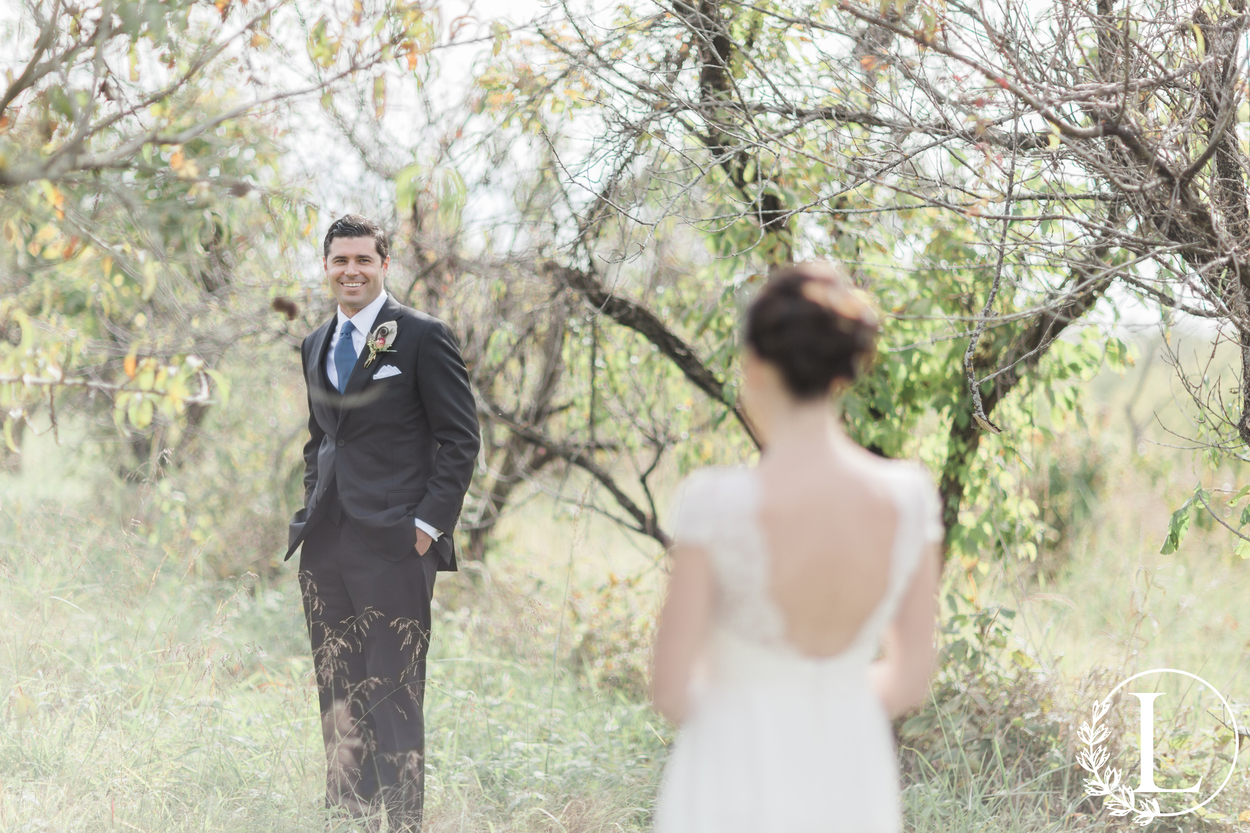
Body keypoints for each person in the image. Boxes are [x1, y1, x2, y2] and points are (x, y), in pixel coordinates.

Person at [649, 263, 942, 833]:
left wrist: (756, 701)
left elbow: (670, 687)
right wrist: (827, 702)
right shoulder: (910, 498)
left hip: (731, 770)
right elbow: (910, 678)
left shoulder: (715, 503)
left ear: (754, 367)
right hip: (850, 774)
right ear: (843, 372)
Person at [286, 214, 480, 831]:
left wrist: (427, 527)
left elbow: (460, 439)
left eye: (363, 260)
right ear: (325, 267)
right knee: (338, 693)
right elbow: (322, 439)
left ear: (384, 265)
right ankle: (348, 818)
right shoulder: (315, 342)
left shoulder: (422, 336)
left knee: (394, 694)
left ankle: (400, 823)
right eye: (340, 261)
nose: (351, 271)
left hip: (397, 544)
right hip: (326, 544)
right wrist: (312, 506)